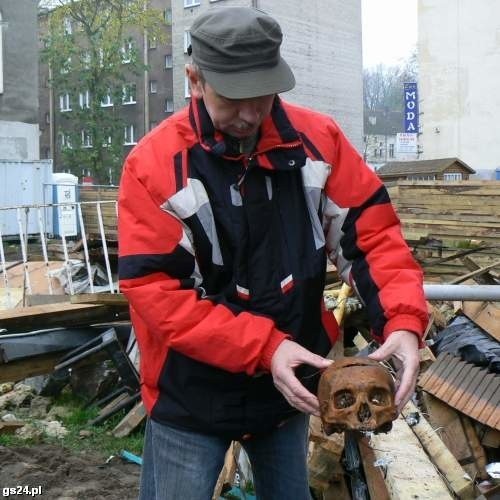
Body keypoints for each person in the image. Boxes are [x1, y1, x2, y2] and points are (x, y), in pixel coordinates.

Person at [118, 6, 428, 500]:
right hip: (190, 396)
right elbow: (157, 293)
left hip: (291, 391)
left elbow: (373, 241)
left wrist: (404, 321)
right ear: (195, 80)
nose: (249, 114)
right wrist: (265, 347)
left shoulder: (319, 143)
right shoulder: (154, 166)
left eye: (262, 96)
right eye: (233, 99)